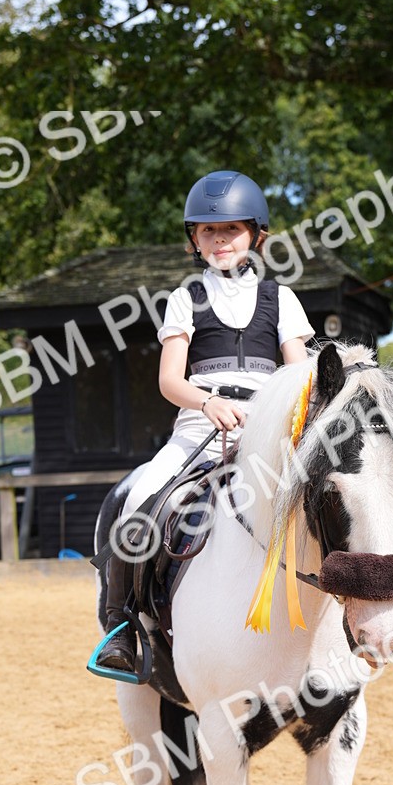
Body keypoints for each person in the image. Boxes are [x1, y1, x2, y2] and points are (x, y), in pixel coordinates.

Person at [95, 169, 315, 673]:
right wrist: (206, 402)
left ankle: (366, 607)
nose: (221, 240)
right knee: (140, 505)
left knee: (335, 492)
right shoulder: (184, 298)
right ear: (195, 238)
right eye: (210, 231)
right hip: (199, 430)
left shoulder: (281, 298)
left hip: (268, 431)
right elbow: (170, 380)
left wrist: (278, 415)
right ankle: (123, 628)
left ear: (256, 236)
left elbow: (300, 373)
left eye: (232, 229)